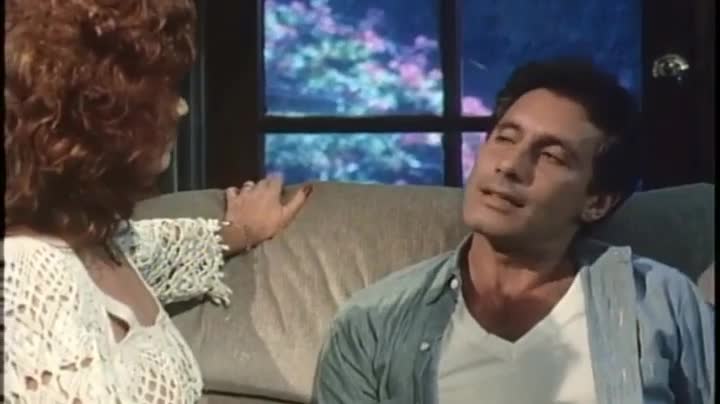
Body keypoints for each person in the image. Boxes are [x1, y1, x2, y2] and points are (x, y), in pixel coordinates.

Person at [312, 59, 714, 403]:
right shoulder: (371, 324)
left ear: (597, 202)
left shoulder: (662, 301)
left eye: (551, 156)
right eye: (505, 139)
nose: (509, 166)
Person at [3, 1, 312, 403]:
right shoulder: (31, 272)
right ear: (93, 115)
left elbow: (158, 248)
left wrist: (243, 229)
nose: (181, 108)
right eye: (162, 90)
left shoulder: (95, 240)